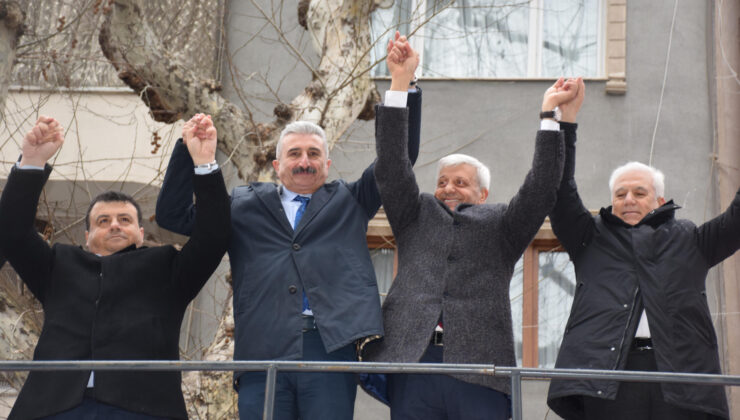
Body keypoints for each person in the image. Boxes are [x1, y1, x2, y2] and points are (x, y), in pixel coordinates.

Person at [155, 33, 422, 419]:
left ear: (327, 166)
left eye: (314, 154)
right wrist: (191, 154)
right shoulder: (243, 205)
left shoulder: (350, 199)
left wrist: (401, 84)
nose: (304, 162)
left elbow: (399, 160)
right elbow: (173, 216)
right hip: (262, 348)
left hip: (331, 345)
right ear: (277, 166)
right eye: (294, 154)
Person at [362, 68, 582, 418]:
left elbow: (541, 188)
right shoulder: (414, 213)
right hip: (414, 361)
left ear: (483, 194)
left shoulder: (502, 223)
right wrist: (399, 86)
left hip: (480, 368)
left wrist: (549, 116)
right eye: (443, 181)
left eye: (460, 182)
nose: (448, 188)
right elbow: (390, 166)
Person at [0, 115, 230, 419]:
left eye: (125, 220)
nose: (114, 226)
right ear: (87, 235)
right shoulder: (58, 264)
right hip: (53, 406)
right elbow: (12, 231)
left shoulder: (167, 267)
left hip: (143, 407)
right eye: (102, 221)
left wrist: (203, 162)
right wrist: (31, 162)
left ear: (141, 233)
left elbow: (213, 236)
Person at [546, 81, 739, 420]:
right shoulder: (590, 236)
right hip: (606, 380)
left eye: (639, 192)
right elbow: (558, 189)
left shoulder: (690, 238)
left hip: (680, 381)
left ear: (659, 201)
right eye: (620, 194)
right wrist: (564, 122)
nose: (629, 200)